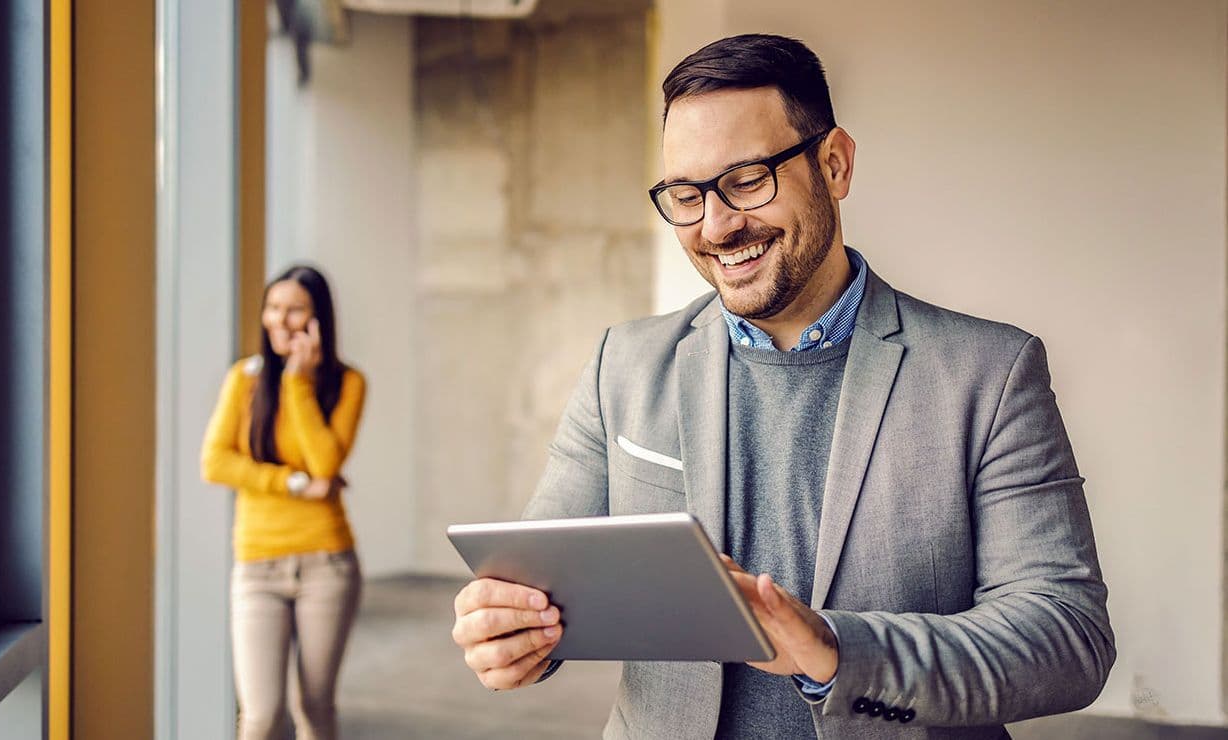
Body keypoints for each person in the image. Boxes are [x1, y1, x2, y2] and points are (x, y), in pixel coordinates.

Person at [450, 34, 1114, 739]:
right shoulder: (626, 363)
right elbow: (540, 582)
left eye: (745, 181)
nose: (716, 225)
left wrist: (834, 649)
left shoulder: (990, 373)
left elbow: (1067, 636)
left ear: (834, 164)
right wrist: (512, 632)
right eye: (685, 194)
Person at [202, 264, 367, 740]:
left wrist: (299, 382)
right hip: (257, 567)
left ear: (319, 321)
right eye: (273, 307)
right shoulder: (244, 379)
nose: (280, 319)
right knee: (261, 715)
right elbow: (215, 463)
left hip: (327, 566)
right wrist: (292, 484)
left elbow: (326, 463)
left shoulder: (348, 383)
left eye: (295, 310)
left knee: (314, 707)